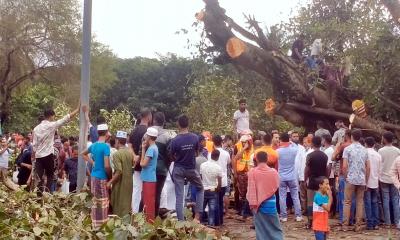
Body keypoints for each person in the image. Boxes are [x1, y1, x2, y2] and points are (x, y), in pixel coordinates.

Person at [32, 103, 80, 193]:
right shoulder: (52, 125)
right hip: (48, 155)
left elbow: (34, 145)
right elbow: (65, 118)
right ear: (51, 116)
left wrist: (33, 157)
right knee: (50, 175)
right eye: (53, 116)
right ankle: (49, 195)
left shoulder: (36, 129)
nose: (54, 118)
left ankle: (39, 197)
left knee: (39, 178)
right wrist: (77, 110)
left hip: (38, 156)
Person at [170, 115, 204, 221]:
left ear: (178, 124)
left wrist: (177, 159)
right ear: (188, 124)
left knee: (179, 196)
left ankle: (181, 222)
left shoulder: (175, 140)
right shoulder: (194, 137)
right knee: (200, 188)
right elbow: (197, 153)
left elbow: (171, 155)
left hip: (178, 169)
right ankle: (197, 216)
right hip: (191, 169)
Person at [82, 123, 112, 229]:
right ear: (107, 132)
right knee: (103, 201)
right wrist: (111, 176)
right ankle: (102, 226)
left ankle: (95, 225)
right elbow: (107, 165)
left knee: (95, 201)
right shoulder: (105, 147)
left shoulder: (93, 145)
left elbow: (83, 154)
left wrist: (92, 162)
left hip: (93, 177)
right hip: (102, 177)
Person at [247, 151, 283, 240]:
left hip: (258, 206)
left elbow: (251, 190)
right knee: (275, 228)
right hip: (271, 204)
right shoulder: (273, 172)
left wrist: (253, 204)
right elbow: (277, 185)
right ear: (267, 159)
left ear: (257, 159)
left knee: (261, 230)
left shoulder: (252, 172)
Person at [342, 129, 370, 232]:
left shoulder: (347, 149)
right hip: (361, 179)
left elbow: (344, 166)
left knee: (347, 202)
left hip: (351, 178)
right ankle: (358, 225)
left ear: (352, 137)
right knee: (359, 202)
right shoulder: (365, 150)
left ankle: (345, 225)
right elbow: (368, 167)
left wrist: (346, 177)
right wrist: (366, 180)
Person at [128, 109, 152, 213]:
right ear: (148, 117)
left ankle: (135, 212)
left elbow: (129, 145)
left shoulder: (134, 130)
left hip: (136, 165)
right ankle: (144, 212)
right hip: (147, 165)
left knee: (136, 189)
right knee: (146, 190)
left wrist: (134, 156)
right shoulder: (149, 132)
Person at [277, 133, 303, 222]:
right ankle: (298, 215)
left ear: (280, 140)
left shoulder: (278, 151)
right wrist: (290, 142)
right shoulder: (294, 150)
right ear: (289, 140)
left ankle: (283, 216)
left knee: (282, 196)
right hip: (292, 176)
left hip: (281, 177)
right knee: (295, 196)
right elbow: (295, 145)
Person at [107, 131, 133, 218]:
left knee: (117, 204)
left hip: (120, 184)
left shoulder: (116, 154)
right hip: (129, 182)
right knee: (126, 204)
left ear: (117, 141)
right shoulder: (130, 153)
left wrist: (110, 182)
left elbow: (119, 171)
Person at [152, 112, 173, 217]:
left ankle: (142, 217)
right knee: (157, 194)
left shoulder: (147, 134)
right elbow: (170, 155)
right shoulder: (167, 136)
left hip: (148, 169)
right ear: (163, 122)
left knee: (146, 193)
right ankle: (154, 218)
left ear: (154, 120)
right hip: (161, 170)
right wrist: (167, 165)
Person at [304, 136, 328, 228]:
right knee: (321, 201)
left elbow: (307, 169)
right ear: (320, 143)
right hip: (322, 181)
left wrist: (305, 179)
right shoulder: (324, 156)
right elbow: (326, 168)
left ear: (312, 144)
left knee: (310, 202)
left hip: (312, 181)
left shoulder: (310, 155)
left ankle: (310, 222)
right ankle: (321, 221)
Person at [378, 131, 400, 228]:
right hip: (394, 179)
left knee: (386, 200)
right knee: (395, 200)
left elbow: (379, 164)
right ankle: (397, 221)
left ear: (385, 139)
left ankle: (387, 222)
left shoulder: (381, 151)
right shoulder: (397, 151)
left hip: (383, 178)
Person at [210, 135, 231, 225]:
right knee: (220, 201)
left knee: (214, 201)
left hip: (213, 181)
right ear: (221, 142)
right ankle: (220, 221)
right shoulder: (226, 153)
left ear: (213, 143)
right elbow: (228, 162)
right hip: (223, 180)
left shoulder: (210, 153)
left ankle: (216, 222)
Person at [332, 130, 351, 224]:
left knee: (343, 197)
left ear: (346, 136)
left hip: (344, 174)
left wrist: (337, 146)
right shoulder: (359, 147)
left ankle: (342, 219)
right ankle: (351, 219)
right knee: (353, 199)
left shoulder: (343, 146)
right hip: (354, 175)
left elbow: (333, 157)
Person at [140, 127, 159, 222]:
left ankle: (149, 223)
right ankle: (150, 222)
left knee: (148, 203)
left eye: (147, 135)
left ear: (149, 137)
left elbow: (143, 164)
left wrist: (143, 149)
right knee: (149, 202)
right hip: (150, 178)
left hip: (148, 179)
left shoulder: (151, 149)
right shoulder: (154, 147)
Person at [234, 134, 254, 219]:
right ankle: (243, 211)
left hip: (250, 173)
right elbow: (236, 158)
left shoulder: (253, 147)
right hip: (241, 173)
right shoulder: (238, 147)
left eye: (246, 142)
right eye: (243, 142)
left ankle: (248, 211)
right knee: (242, 193)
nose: (244, 143)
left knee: (250, 192)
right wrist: (244, 148)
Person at [200, 149, 222, 226]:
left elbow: (200, 177)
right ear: (217, 157)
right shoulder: (218, 167)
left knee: (201, 208)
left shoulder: (203, 165)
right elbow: (219, 182)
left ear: (211, 155)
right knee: (212, 210)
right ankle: (211, 225)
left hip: (203, 189)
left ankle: (200, 225)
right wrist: (218, 189)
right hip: (213, 190)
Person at [364, 137, 381, 230]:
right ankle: (376, 223)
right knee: (375, 202)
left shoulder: (364, 153)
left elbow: (366, 168)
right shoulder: (378, 155)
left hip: (367, 181)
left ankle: (369, 223)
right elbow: (379, 169)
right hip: (375, 181)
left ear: (365, 143)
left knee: (368, 203)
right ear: (374, 144)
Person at [295, 136, 313, 214]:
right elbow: (300, 164)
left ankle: (309, 210)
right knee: (302, 195)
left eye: (305, 142)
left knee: (309, 195)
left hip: (308, 177)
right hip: (302, 176)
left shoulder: (311, 152)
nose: (304, 144)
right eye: (303, 142)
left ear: (310, 142)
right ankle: (304, 209)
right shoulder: (302, 151)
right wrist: (299, 175)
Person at [321, 134, 335, 216]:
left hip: (329, 175)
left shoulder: (328, 151)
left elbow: (329, 165)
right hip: (329, 175)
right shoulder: (328, 150)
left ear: (325, 140)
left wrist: (327, 178)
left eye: (322, 140)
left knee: (329, 193)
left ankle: (331, 211)